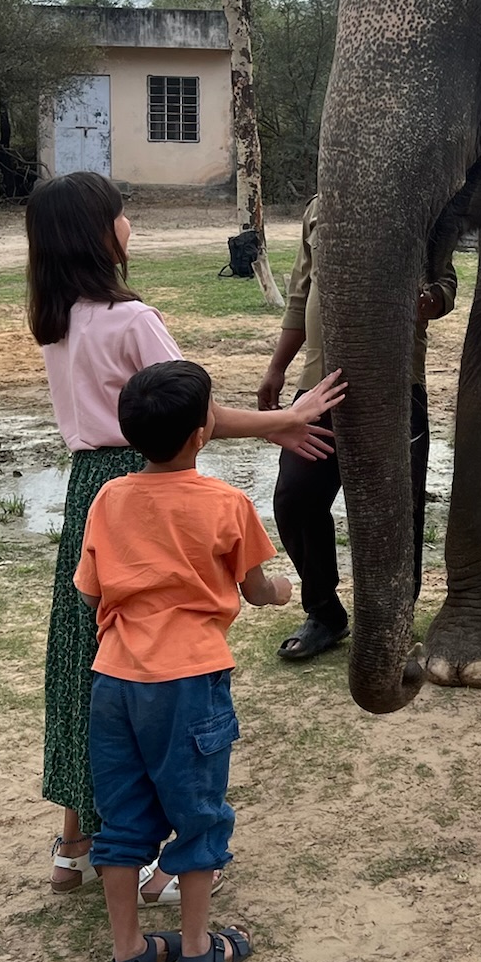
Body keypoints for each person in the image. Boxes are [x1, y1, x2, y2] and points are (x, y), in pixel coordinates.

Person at [27, 171, 343, 897]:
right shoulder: (130, 318)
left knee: (86, 659)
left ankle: (74, 844)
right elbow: (187, 410)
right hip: (145, 487)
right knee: (151, 667)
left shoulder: (57, 318)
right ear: (97, 234)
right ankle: (144, 854)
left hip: (89, 492)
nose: (128, 223)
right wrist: (284, 421)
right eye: (120, 214)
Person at [76, 359, 291, 962]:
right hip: (191, 681)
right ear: (203, 432)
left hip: (114, 681)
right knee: (199, 811)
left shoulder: (108, 498)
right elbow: (256, 588)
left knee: (120, 818)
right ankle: (196, 951)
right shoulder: (227, 503)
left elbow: (90, 592)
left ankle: (127, 956)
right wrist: (282, 591)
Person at [259, 193, 457, 661]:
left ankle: (393, 619)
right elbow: (301, 296)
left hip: (395, 385)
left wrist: (426, 301)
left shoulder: (419, 201)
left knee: (398, 510)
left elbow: (446, 286)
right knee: (295, 498)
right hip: (320, 386)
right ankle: (324, 612)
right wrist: (277, 368)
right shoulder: (318, 208)